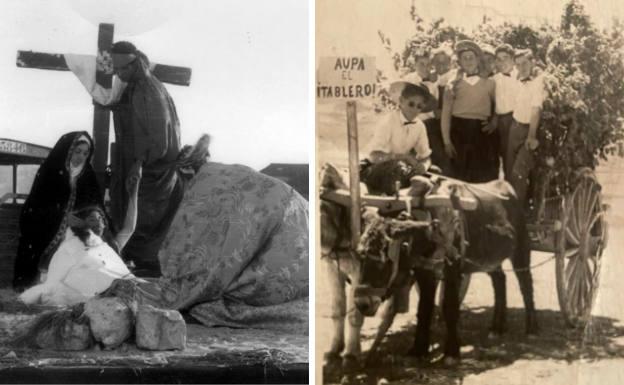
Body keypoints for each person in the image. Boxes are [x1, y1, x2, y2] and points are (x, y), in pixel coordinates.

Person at [18, 162, 142, 306]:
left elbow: (129, 228)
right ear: (81, 224)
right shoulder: (73, 246)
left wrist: (133, 194)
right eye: (91, 219)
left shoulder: (111, 246)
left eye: (100, 220)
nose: (97, 223)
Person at [109, 41, 184, 276]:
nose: (119, 74)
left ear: (136, 64)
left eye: (123, 69)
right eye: (117, 70)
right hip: (144, 162)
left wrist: (139, 163)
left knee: (141, 214)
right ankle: (140, 260)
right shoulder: (139, 86)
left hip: (151, 168)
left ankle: (146, 263)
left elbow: (157, 133)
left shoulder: (146, 89)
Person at [12, 131, 105, 291]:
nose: (81, 157)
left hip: (79, 231)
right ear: (68, 151)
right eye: (77, 152)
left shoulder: (87, 175)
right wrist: (62, 217)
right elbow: (34, 208)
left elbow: (95, 203)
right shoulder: (50, 172)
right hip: (47, 230)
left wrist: (95, 215)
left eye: (85, 153)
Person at [441, 40, 498, 183]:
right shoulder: (452, 85)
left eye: (471, 57)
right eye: (464, 58)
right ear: (459, 62)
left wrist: (494, 123)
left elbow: (498, 106)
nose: (468, 61)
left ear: (478, 59)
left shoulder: (490, 83)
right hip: (458, 131)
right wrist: (447, 141)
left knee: (482, 174)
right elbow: (446, 115)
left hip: (481, 132)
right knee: (460, 174)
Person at [364, 79, 435, 173]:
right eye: (411, 104)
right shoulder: (388, 121)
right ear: (401, 101)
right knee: (396, 171)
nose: (414, 109)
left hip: (401, 167)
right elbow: (374, 157)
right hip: (378, 167)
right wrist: (402, 157)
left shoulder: (419, 126)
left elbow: (425, 157)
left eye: (419, 106)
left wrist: (424, 166)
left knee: (435, 172)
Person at [507, 48, 545, 204]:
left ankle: (518, 214)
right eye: (518, 65)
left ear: (532, 63)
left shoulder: (538, 83)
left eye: (524, 64)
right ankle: (511, 209)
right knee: (509, 172)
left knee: (519, 172)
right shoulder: (516, 81)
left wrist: (531, 135)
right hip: (514, 128)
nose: (521, 68)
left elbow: (536, 110)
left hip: (528, 129)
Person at [490, 44, 519, 180]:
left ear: (513, 60)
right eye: (498, 59)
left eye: (505, 58)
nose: (502, 62)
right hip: (500, 122)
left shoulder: (520, 76)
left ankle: (515, 192)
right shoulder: (494, 79)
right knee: (502, 154)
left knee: (512, 158)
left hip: (515, 120)